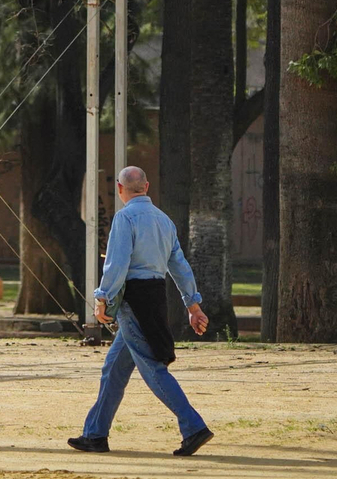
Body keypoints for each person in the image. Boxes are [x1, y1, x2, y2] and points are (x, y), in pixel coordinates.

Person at [67, 166, 213, 457]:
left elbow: (117, 264)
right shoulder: (164, 220)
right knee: (114, 369)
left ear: (120, 190)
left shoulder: (125, 217)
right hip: (157, 297)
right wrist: (193, 306)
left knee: (152, 367)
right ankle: (95, 435)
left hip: (133, 299)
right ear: (146, 187)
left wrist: (102, 298)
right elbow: (180, 266)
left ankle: (194, 427)